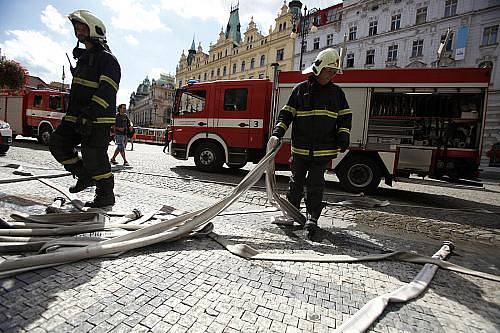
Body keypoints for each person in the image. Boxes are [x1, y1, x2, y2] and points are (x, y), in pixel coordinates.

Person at [268, 48, 351, 239]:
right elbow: (286, 114)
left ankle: (312, 218)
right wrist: (277, 134)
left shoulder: (337, 93)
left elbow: (345, 118)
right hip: (300, 149)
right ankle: (291, 213)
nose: (331, 75)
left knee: (316, 185)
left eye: (334, 72)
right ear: (319, 68)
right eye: (329, 71)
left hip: (323, 151)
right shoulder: (300, 90)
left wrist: (343, 135)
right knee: (295, 182)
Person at [49, 10, 120, 208]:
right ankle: (84, 175)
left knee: (94, 156)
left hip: (96, 119)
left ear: (95, 31)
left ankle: (105, 195)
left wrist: (90, 113)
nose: (78, 30)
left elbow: (107, 91)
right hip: (75, 116)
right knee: (58, 144)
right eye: (76, 27)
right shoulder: (83, 59)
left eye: (82, 27)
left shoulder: (108, 60)